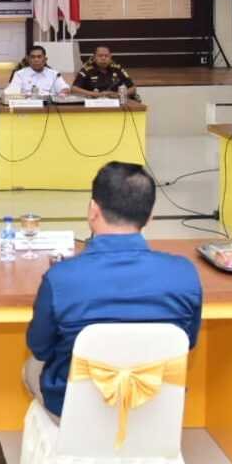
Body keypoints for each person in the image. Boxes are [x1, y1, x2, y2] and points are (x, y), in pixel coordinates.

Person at [24, 162, 202, 419]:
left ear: (93, 211)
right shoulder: (184, 274)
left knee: (31, 367)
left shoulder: (61, 278)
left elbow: (39, 347)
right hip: (154, 405)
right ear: (150, 216)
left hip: (76, 408)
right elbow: (188, 342)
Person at [71, 45, 137, 99]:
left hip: (114, 103)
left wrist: (118, 94)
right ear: (94, 58)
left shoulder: (117, 69)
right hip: (93, 103)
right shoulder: (86, 70)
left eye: (106, 56)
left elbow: (133, 88)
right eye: (100, 56)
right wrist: (95, 94)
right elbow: (74, 89)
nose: (103, 58)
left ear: (110, 57)